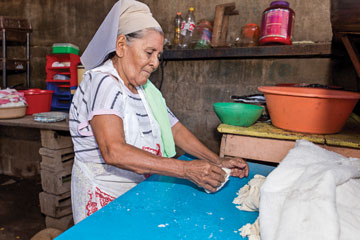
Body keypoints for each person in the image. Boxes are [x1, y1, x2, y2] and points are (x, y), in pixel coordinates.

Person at [69, 0, 249, 224]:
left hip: (138, 190)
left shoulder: (144, 89)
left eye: (158, 55)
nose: (155, 63)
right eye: (149, 52)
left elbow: (174, 128)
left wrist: (217, 161)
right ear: (121, 45)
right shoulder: (103, 83)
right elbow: (113, 151)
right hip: (104, 195)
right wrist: (185, 169)